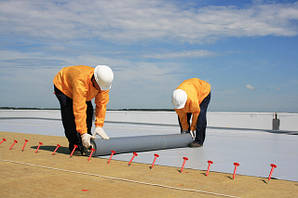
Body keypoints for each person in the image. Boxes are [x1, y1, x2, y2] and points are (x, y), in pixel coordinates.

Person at [53, 65, 113, 154]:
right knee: (69, 115)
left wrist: (99, 125)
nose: (100, 89)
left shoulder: (104, 84)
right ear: (94, 79)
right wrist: (83, 132)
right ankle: (75, 145)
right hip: (64, 86)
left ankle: (86, 142)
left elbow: (102, 104)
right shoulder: (81, 81)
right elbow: (79, 108)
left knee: (89, 112)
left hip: (83, 90)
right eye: (99, 87)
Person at [172, 78, 211, 147]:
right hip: (191, 87)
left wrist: (192, 129)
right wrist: (185, 129)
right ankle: (185, 136)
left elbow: (196, 114)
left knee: (200, 116)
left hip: (203, 92)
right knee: (184, 115)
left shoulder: (192, 100)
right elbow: (182, 117)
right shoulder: (176, 98)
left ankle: (199, 141)